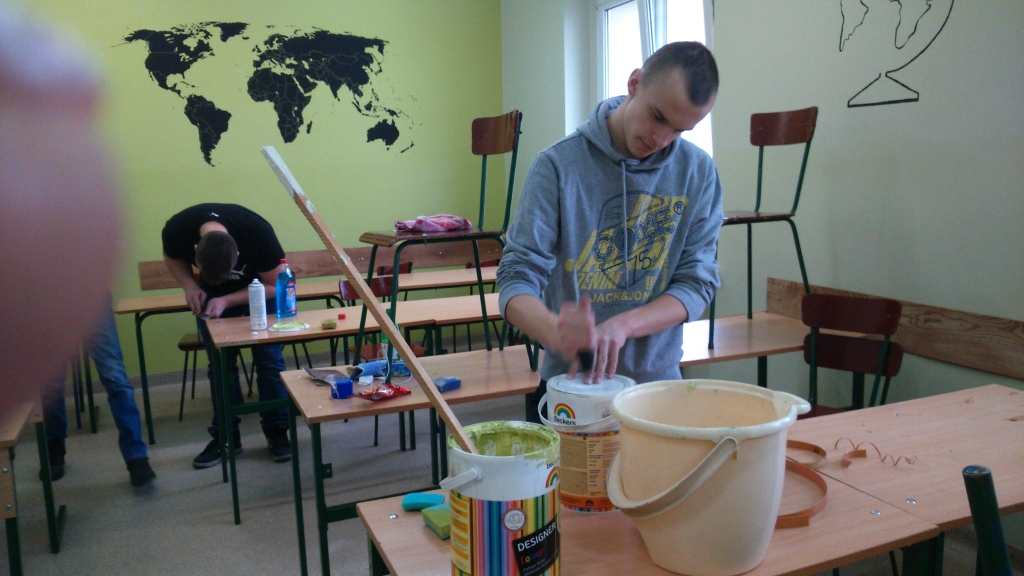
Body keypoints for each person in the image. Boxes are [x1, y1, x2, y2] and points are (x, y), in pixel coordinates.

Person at [497, 42, 723, 423]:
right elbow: (515, 280)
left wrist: (624, 325)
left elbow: (696, 284)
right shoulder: (557, 166)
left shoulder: (698, 173)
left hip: (658, 390)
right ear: (634, 83)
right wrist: (556, 332)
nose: (661, 138)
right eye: (657, 116)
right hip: (571, 391)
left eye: (679, 130)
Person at [161, 203, 291, 468]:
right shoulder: (177, 228)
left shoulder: (258, 232)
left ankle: (277, 430)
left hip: (260, 291)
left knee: (269, 360)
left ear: (238, 253)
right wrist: (189, 286)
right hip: (214, 297)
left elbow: (276, 284)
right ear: (195, 250)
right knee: (220, 365)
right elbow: (172, 256)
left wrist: (227, 300)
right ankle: (226, 435)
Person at [42, 298, 155, 487]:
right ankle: (54, 446)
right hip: (48, 302)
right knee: (50, 384)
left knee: (116, 378)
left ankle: (136, 457)